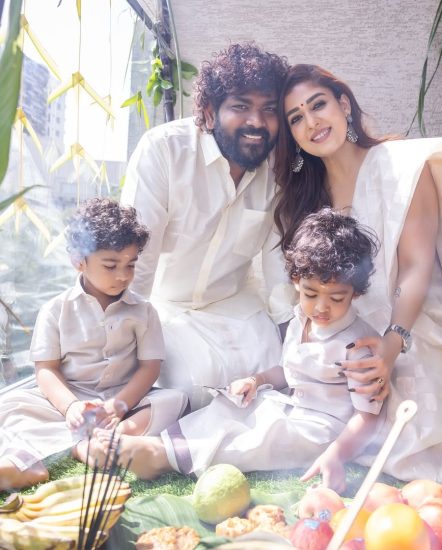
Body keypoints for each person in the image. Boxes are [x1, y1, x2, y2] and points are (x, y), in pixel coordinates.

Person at [271, 64, 442, 488]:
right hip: (345, 322)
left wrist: (391, 343)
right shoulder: (306, 197)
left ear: (344, 104)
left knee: (401, 424)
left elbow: (418, 266)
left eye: (318, 105)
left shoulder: (404, 165)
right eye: (296, 118)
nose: (311, 122)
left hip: (411, 321)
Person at [96, 209, 380, 491]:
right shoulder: (301, 320)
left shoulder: (357, 345)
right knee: (236, 406)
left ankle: (161, 458)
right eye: (310, 294)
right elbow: (289, 370)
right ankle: (164, 443)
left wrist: (337, 454)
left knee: (266, 437)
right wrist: (257, 381)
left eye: (336, 298)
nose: (321, 307)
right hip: (291, 408)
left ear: (355, 292)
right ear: (296, 281)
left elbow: (367, 417)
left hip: (323, 432)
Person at [120, 43, 291, 412]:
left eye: (269, 110)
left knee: (277, 376)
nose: (257, 122)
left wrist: (292, 337)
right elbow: (137, 256)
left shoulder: (278, 171)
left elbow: (278, 264)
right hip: (167, 306)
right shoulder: (164, 150)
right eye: (241, 107)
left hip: (235, 303)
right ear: (210, 113)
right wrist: (126, 338)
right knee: (192, 387)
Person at [0, 198, 187, 490]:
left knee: (175, 399)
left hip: (122, 402)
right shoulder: (55, 310)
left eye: (130, 265)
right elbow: (46, 370)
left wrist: (117, 406)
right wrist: (71, 407)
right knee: (13, 406)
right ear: (79, 260)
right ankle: (46, 457)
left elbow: (150, 368)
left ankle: (114, 439)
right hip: (70, 401)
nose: (123, 275)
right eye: (110, 266)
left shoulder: (143, 311)